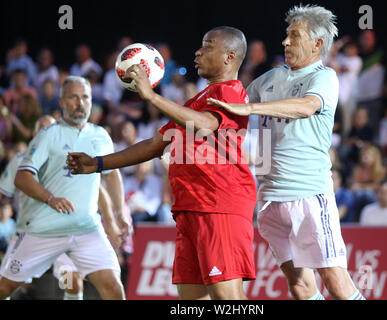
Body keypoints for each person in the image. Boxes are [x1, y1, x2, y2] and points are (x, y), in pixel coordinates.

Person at [66, 26, 257, 300]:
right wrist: (96, 164)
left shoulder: (231, 91)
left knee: (228, 299)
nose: (198, 51)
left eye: (208, 46)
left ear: (229, 57)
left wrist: (152, 96)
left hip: (218, 206)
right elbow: (154, 145)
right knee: (192, 299)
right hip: (190, 209)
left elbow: (205, 126)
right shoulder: (195, 102)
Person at [208, 5, 365, 300]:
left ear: (317, 44)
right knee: (300, 287)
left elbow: (305, 107)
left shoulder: (324, 77)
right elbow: (232, 103)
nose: (285, 42)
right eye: (286, 35)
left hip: (308, 195)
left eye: (294, 36)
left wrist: (249, 108)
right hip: (269, 199)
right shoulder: (270, 78)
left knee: (336, 283)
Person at [0, 76, 131, 300]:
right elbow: (22, 177)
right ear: (62, 102)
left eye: (85, 97)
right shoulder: (48, 135)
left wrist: (119, 214)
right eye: (73, 97)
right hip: (44, 231)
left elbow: (111, 176)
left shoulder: (101, 136)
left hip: (87, 230)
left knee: (112, 288)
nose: (80, 103)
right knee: (2, 289)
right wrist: (50, 198)